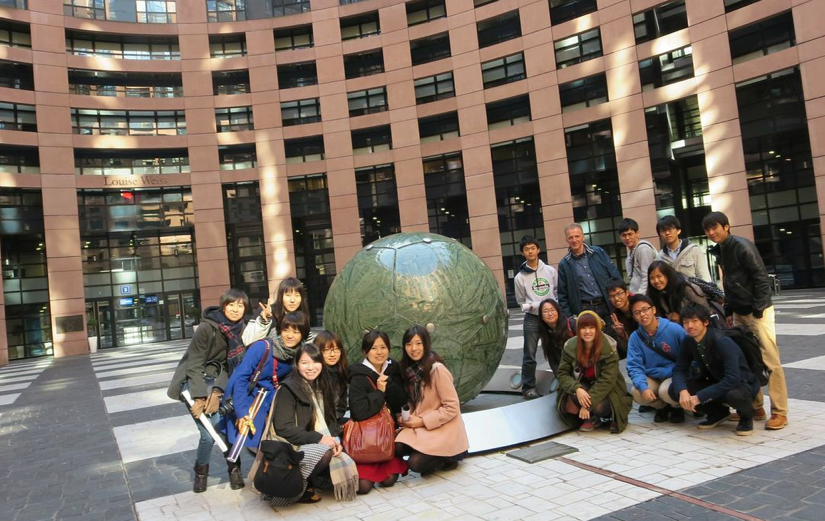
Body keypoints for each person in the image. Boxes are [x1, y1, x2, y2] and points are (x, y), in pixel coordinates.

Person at [703, 211, 788, 430]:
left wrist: (758, 309)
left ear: (726, 226)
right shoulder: (720, 249)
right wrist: (729, 310)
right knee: (748, 360)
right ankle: (755, 406)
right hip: (739, 312)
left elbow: (760, 277)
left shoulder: (742, 246)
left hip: (757, 311)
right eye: (708, 229)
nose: (712, 233)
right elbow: (730, 283)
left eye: (715, 227)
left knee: (770, 361)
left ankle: (779, 411)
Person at [166, 288, 250, 493]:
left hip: (219, 381)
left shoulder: (241, 330)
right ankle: (201, 472)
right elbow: (193, 364)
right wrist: (200, 397)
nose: (236, 309)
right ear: (223, 306)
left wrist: (218, 392)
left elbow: (231, 367)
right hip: (193, 382)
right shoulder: (207, 328)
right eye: (232, 304)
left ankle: (234, 469)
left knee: (222, 429)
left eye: (240, 305)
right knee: (208, 435)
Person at [268, 344, 358, 505]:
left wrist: (334, 440)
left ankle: (315, 479)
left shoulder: (321, 385)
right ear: (296, 365)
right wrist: (320, 439)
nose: (310, 367)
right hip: (293, 446)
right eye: (304, 363)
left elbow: (330, 420)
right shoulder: (288, 389)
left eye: (315, 362)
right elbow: (283, 427)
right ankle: (297, 488)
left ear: (321, 364)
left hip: (312, 442)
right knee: (324, 452)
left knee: (351, 476)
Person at [222, 317, 304, 469]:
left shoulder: (298, 352)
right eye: (286, 330)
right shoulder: (263, 347)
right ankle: (236, 470)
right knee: (246, 435)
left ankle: (269, 472)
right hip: (249, 395)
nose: (290, 335)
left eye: (296, 331)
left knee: (271, 438)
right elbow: (241, 378)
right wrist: (241, 413)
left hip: (271, 397)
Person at [670, 303, 760, 436]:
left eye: (694, 321)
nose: (690, 326)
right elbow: (679, 369)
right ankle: (718, 413)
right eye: (686, 322)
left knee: (735, 395)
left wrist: (699, 397)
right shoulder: (688, 341)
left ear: (705, 322)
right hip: (715, 381)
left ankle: (746, 416)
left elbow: (732, 379)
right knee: (674, 389)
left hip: (741, 384)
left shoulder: (722, 342)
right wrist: (682, 391)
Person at [396, 325, 469, 475]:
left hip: (442, 428)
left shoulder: (437, 370)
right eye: (409, 344)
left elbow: (451, 407)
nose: (413, 348)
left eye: (418, 343)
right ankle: (426, 452)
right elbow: (415, 401)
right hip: (423, 427)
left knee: (415, 464)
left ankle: (449, 458)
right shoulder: (409, 370)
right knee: (396, 447)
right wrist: (407, 417)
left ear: (426, 344)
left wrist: (422, 421)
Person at [347, 330, 409, 495]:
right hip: (366, 440)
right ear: (365, 351)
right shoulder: (358, 375)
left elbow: (402, 401)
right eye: (374, 348)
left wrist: (388, 385)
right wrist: (379, 393)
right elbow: (358, 412)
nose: (379, 352)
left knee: (389, 481)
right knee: (363, 487)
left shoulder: (393, 369)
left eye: (383, 347)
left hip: (386, 438)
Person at [555, 311, 632, 433]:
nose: (587, 332)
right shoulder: (571, 346)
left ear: (598, 329)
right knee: (572, 396)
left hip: (609, 389)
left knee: (599, 407)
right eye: (583, 328)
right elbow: (562, 373)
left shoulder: (608, 347)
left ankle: (611, 414)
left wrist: (587, 406)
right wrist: (577, 389)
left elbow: (607, 380)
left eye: (591, 327)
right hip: (584, 384)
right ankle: (591, 419)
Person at [626, 295, 686, 423]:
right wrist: (643, 387)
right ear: (634, 316)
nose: (642, 315)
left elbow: (689, 355)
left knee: (665, 391)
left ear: (653, 310)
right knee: (636, 391)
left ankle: (676, 407)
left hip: (674, 374)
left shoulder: (674, 329)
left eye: (645, 309)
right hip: (653, 376)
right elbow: (634, 366)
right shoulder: (635, 338)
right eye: (637, 312)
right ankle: (661, 407)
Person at [514, 235, 558, 399]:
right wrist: (533, 306)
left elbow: (556, 292)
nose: (530, 251)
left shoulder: (550, 271)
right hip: (532, 318)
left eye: (533, 248)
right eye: (526, 249)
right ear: (522, 253)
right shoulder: (520, 277)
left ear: (538, 249)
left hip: (551, 316)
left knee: (555, 350)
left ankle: (564, 381)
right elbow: (520, 299)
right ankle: (528, 387)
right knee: (529, 354)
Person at [558, 223, 623, 322]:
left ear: (583, 237)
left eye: (577, 236)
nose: (574, 240)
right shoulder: (564, 264)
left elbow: (615, 275)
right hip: (584, 309)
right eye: (570, 237)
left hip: (607, 304)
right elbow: (562, 295)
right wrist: (569, 318)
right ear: (567, 240)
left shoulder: (598, 253)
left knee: (612, 336)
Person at [243, 277, 313, 345]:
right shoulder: (266, 312)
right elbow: (247, 340)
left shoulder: (301, 317)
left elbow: (308, 344)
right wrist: (263, 322)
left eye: (297, 295)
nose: (292, 300)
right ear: (280, 296)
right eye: (288, 295)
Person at [647, 260, 719, 324]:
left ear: (667, 275)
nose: (656, 281)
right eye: (652, 278)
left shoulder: (686, 288)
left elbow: (705, 311)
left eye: (659, 276)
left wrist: (682, 318)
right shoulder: (654, 294)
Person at [655, 215, 712, 281]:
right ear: (660, 236)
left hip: (693, 290)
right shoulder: (659, 257)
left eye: (670, 229)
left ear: (678, 230)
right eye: (663, 231)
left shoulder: (693, 250)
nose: (667, 233)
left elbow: (704, 277)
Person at [315, 330, 349, 428]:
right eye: (326, 350)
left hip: (335, 420)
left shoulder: (341, 372)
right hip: (319, 425)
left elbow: (340, 405)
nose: (333, 354)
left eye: (336, 349)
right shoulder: (314, 375)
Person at [619, 218, 658, 295]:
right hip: (637, 295)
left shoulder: (643, 249)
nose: (627, 238)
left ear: (637, 233)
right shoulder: (629, 255)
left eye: (630, 234)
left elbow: (647, 276)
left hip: (646, 297)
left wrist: (641, 297)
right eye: (624, 235)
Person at [537, 299, 576, 375]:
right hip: (566, 375)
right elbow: (553, 363)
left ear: (558, 312)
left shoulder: (571, 325)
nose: (550, 314)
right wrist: (562, 379)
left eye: (552, 310)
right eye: (545, 311)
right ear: (541, 316)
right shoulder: (546, 333)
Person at [605, 279, 637, 360]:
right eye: (612, 296)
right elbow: (625, 349)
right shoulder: (615, 316)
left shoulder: (638, 305)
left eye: (619, 294)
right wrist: (621, 334)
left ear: (627, 293)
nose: (616, 298)